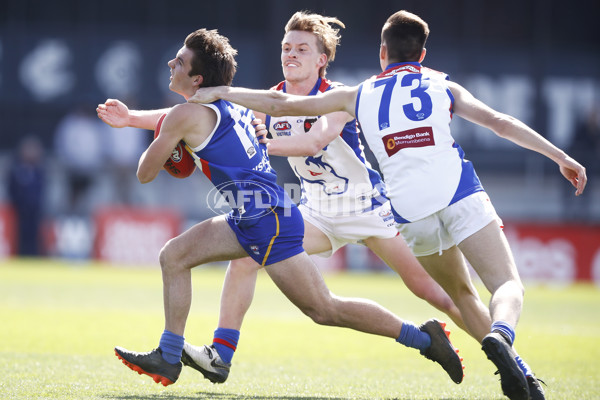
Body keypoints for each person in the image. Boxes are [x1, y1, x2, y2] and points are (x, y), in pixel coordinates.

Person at [189, 11, 588, 400]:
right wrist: (139, 120)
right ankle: (220, 355)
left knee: (439, 295)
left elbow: (313, 142)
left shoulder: (341, 96)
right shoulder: (269, 101)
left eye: (301, 49)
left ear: (322, 59)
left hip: (371, 207)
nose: (290, 54)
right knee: (247, 255)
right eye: (286, 47)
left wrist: (260, 141)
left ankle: (516, 366)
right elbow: (224, 121)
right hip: (319, 210)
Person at [96, 27, 464, 388]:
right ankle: (176, 353)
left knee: (324, 309)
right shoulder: (233, 105)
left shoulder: (192, 116)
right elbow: (175, 119)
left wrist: (167, 143)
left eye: (179, 61)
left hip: (291, 216)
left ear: (198, 78)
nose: (170, 64)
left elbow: (146, 171)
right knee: (174, 255)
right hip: (260, 214)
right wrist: (134, 120)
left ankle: (425, 339)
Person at [7, 135, 45, 256]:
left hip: (35, 212)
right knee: (18, 235)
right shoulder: (16, 170)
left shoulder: (40, 171)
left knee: (34, 236)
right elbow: (12, 190)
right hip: (19, 211)